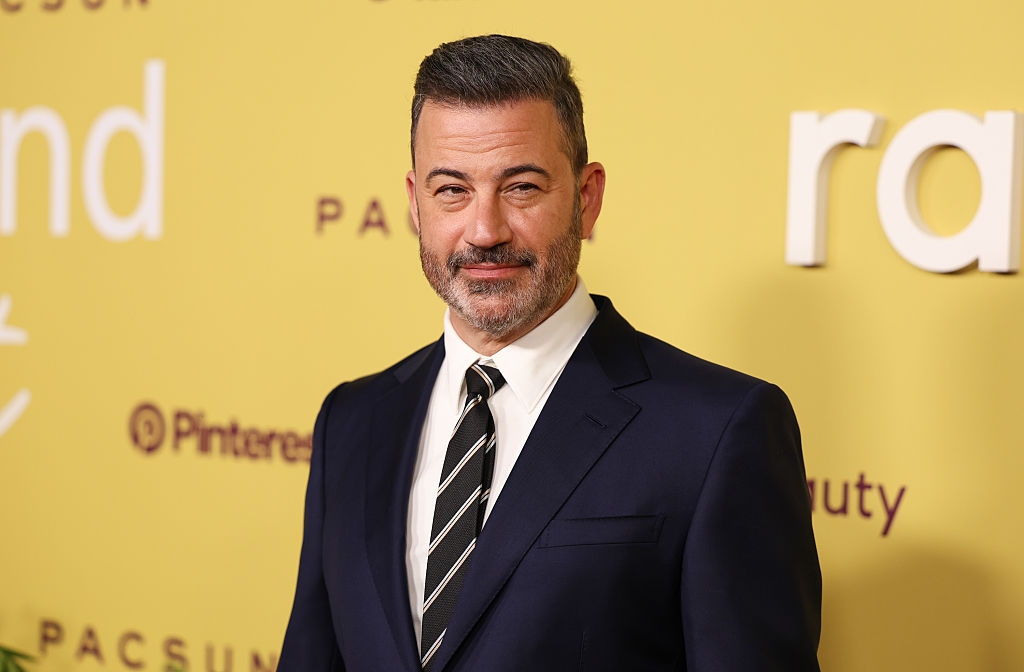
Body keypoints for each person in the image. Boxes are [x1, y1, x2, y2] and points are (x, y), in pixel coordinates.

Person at [279, 34, 821, 672]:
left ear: (586, 198)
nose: (485, 231)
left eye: (522, 188)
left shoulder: (717, 431)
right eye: (452, 189)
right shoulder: (352, 421)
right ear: (414, 204)